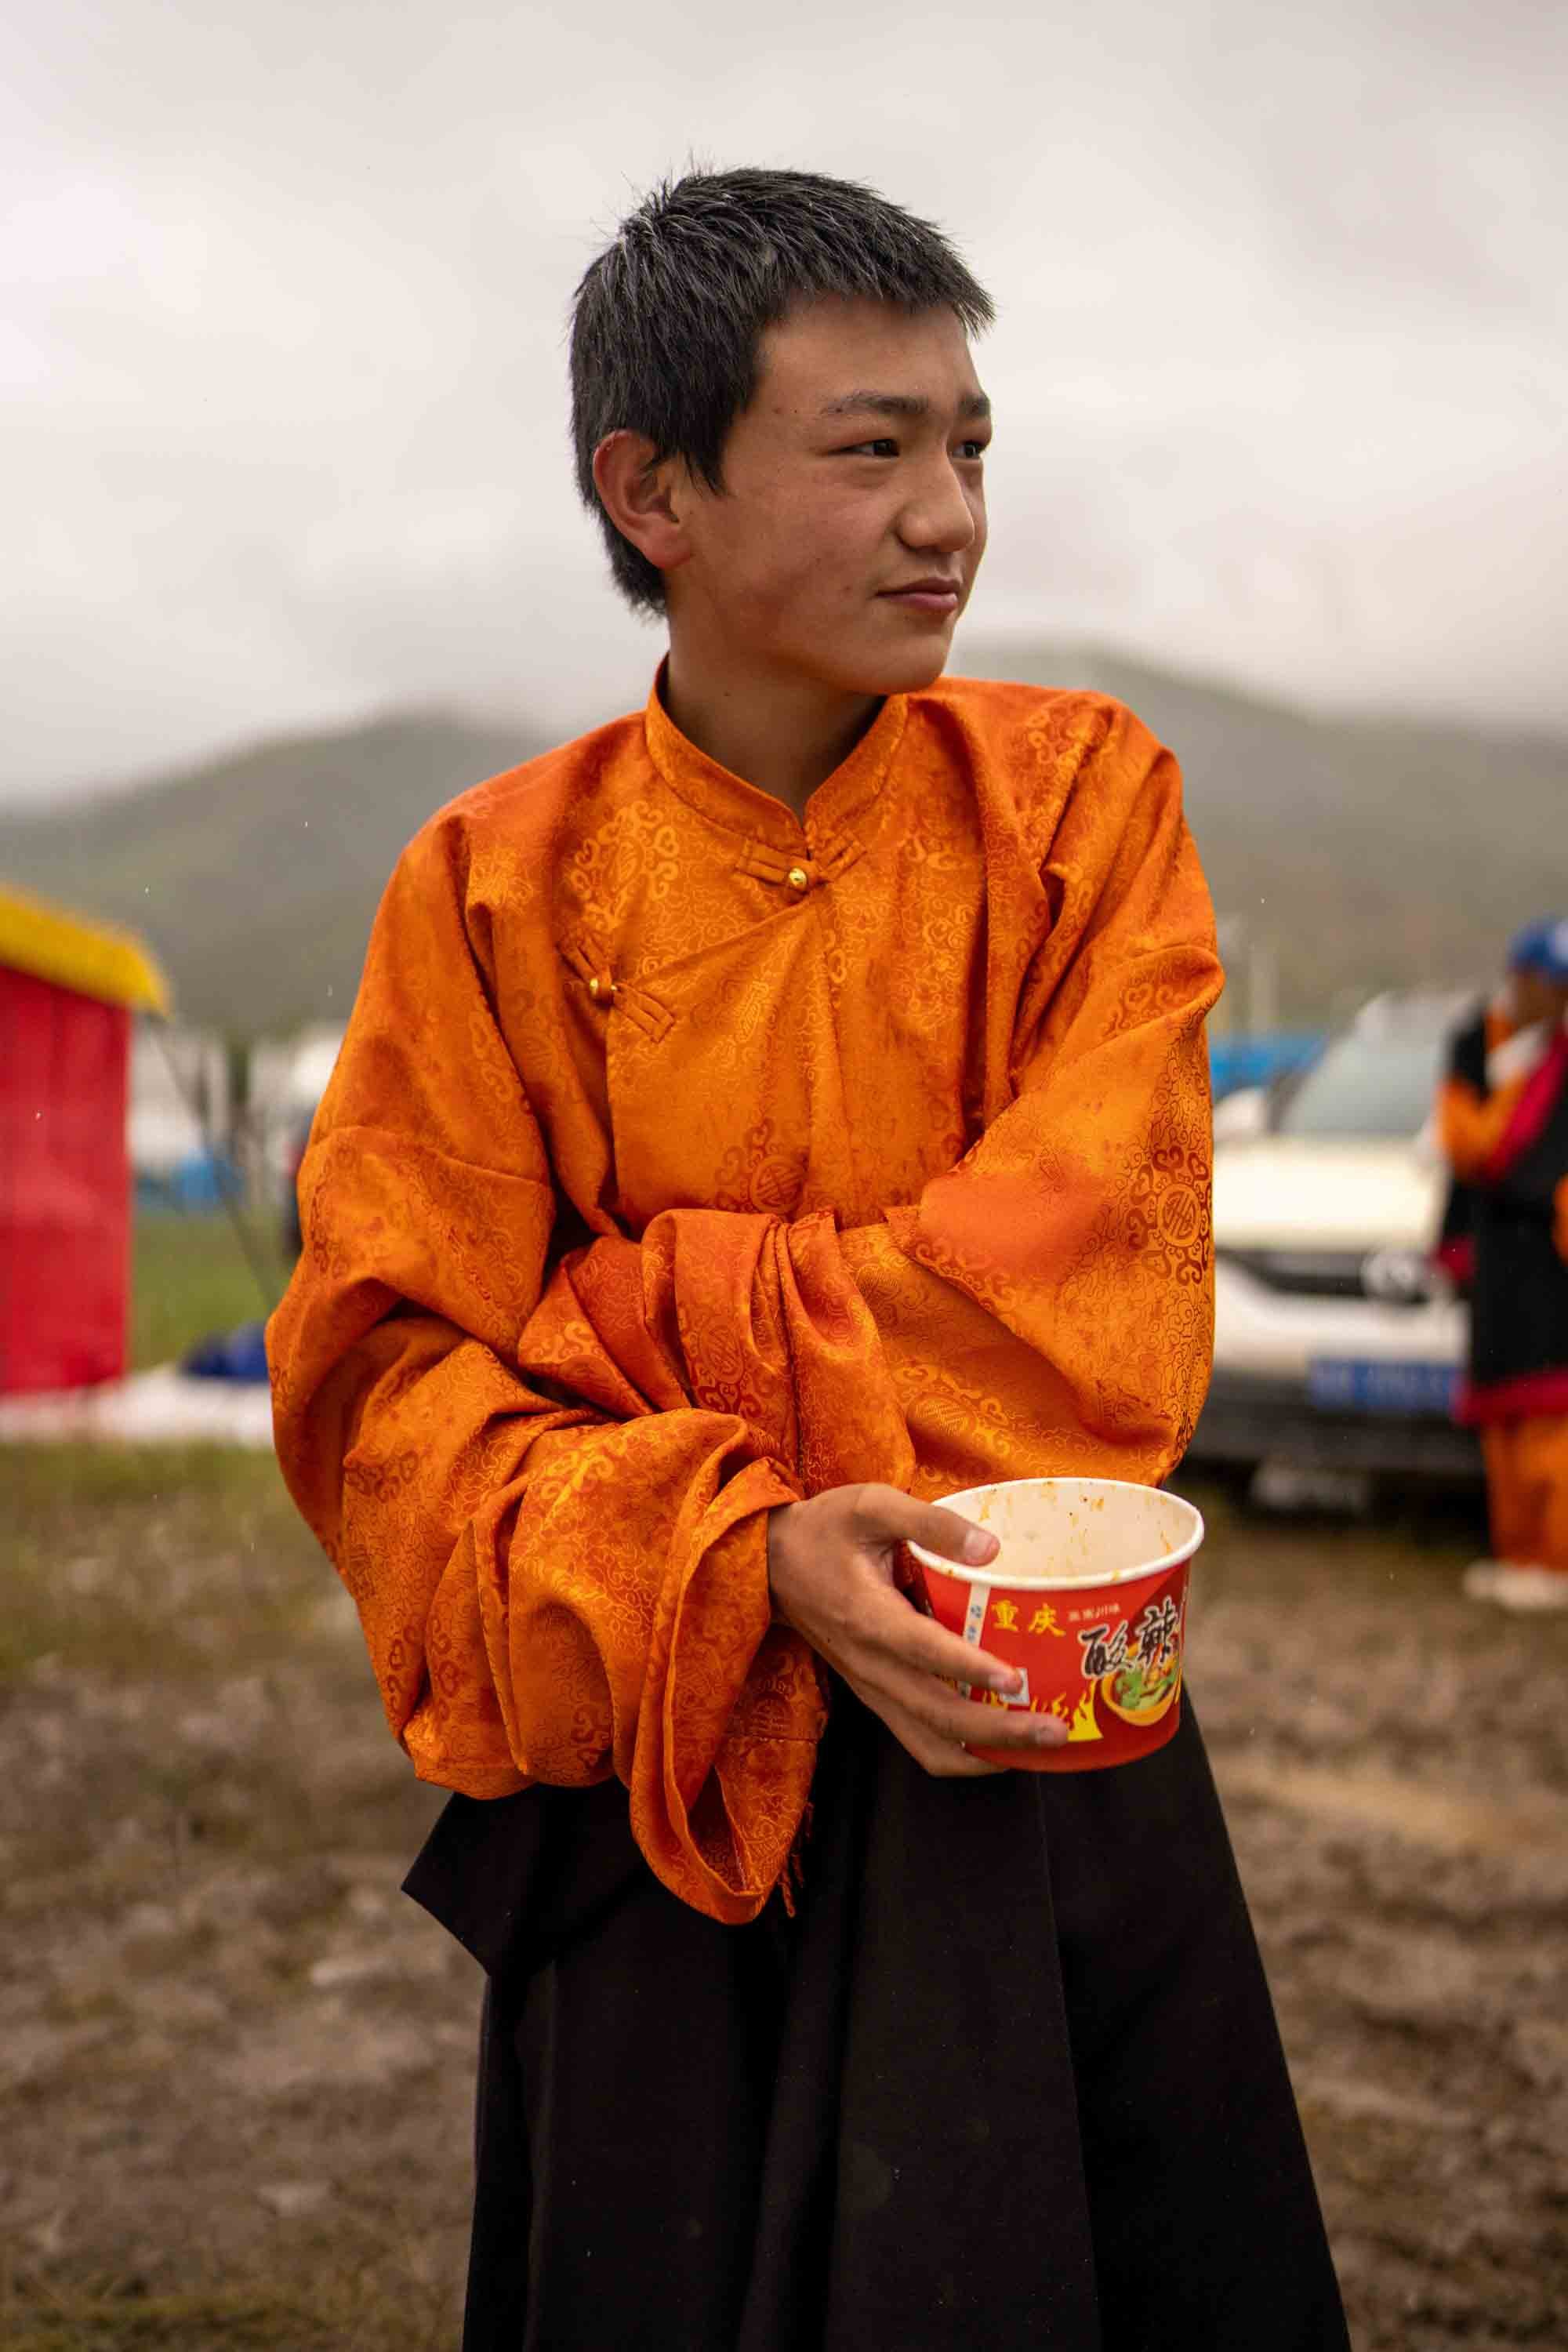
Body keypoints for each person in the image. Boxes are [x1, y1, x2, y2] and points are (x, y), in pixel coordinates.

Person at [267, 168, 1348, 2349]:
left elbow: (1083, 1312)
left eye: (969, 448)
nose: (947, 512)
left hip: (1028, 1767)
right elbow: (385, 1391)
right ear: (647, 487)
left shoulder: (1080, 817)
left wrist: (612, 1321)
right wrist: (734, 1554)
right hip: (658, 1766)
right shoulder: (488, 895)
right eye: (872, 448)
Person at [1438, 918, 1568, 1611]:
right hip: (1501, 1263)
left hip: (1555, 1266)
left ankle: (1557, 1560)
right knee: (1504, 1424)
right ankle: (1519, 1553)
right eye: (1541, 981)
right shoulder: (1476, 1044)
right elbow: (1466, 1145)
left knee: (1553, 1423)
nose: (1546, 995)